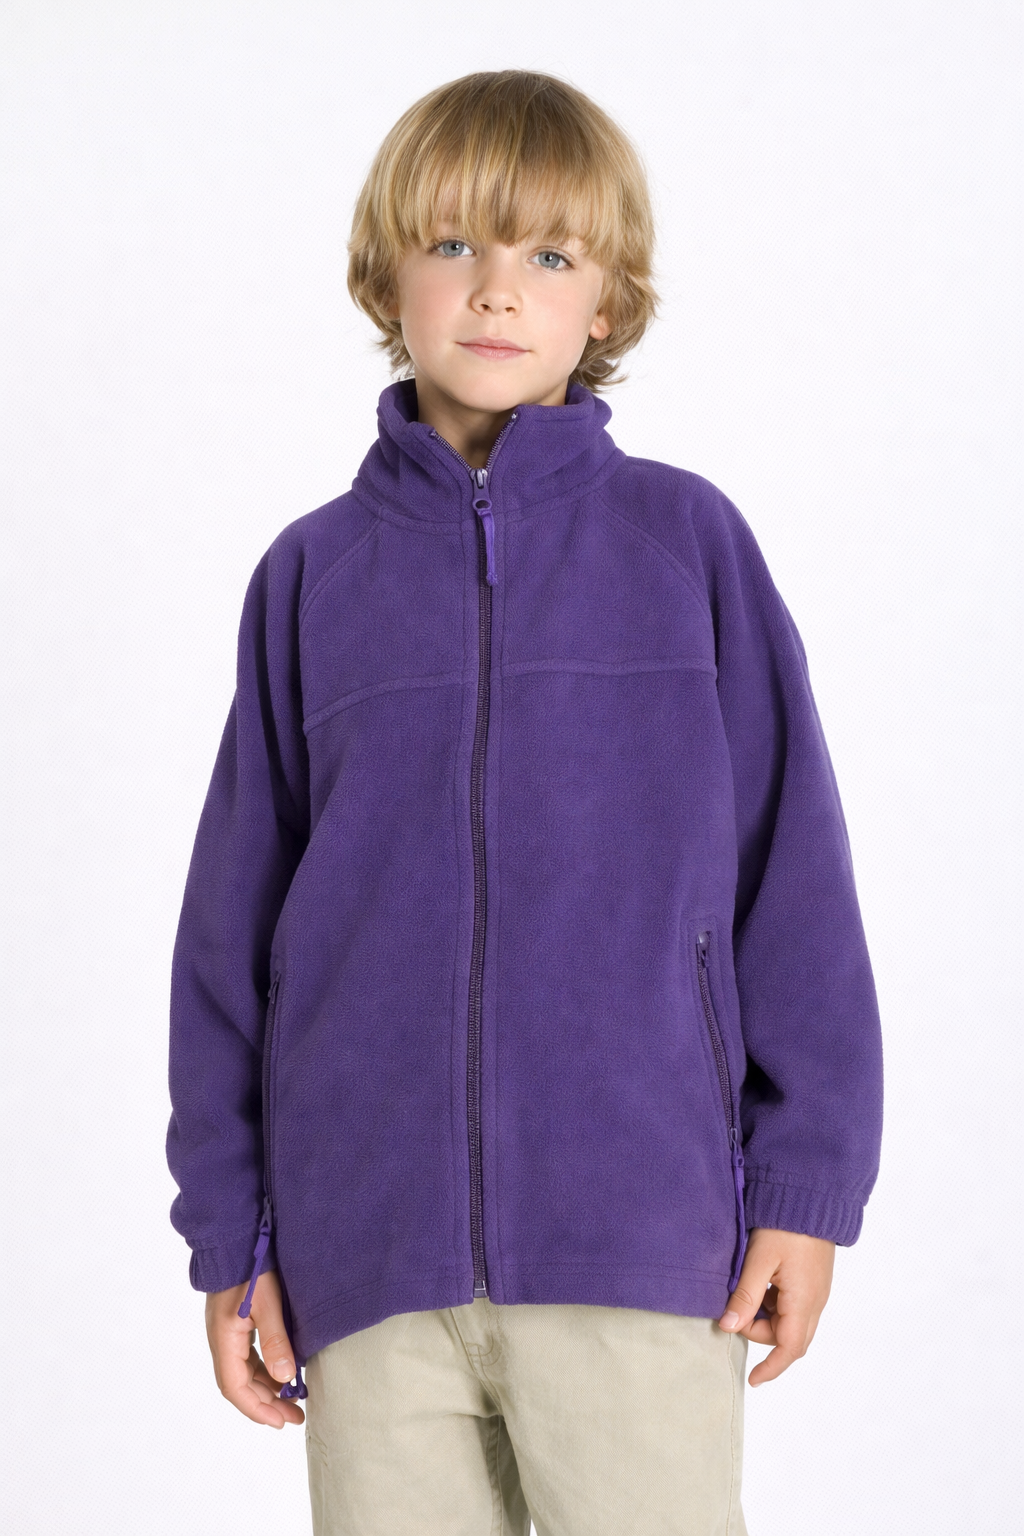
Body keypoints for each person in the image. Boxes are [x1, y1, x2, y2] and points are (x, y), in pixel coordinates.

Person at [166, 69, 883, 1536]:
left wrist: (806, 1184)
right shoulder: (311, 580)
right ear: (385, 278)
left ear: (607, 301)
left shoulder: (685, 546)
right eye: (454, 246)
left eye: (549, 255)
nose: (498, 291)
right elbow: (231, 934)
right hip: (368, 1263)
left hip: (638, 1243)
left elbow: (792, 880)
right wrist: (230, 1234)